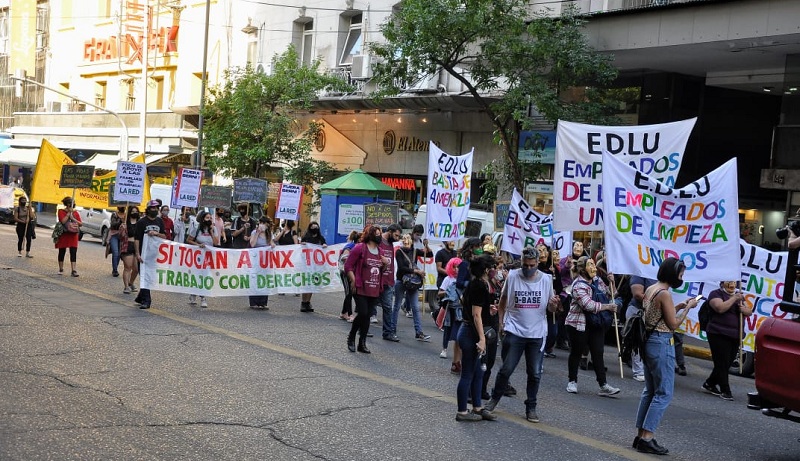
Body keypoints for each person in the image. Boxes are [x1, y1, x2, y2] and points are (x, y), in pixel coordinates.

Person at [484, 247, 561, 423]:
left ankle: (531, 407)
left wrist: (554, 305)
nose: (528, 269)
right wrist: (502, 322)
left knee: (534, 373)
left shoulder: (546, 280)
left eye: (532, 265)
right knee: (506, 370)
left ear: (538, 263)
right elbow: (503, 301)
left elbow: (551, 309)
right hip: (515, 330)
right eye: (525, 265)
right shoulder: (513, 276)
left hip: (537, 334)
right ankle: (493, 400)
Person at [634, 257, 700, 455]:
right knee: (663, 393)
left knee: (650, 390)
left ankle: (640, 436)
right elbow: (672, 324)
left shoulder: (652, 289)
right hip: (661, 342)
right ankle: (648, 437)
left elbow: (658, 313)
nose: (682, 277)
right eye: (681, 274)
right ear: (673, 274)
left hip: (649, 342)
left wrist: (679, 306)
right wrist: (688, 309)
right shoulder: (665, 294)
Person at [565, 256, 620, 397]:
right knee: (576, 352)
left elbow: (611, 294)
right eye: (590, 265)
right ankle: (572, 381)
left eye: (594, 264)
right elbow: (588, 305)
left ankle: (603, 385)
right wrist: (608, 307)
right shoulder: (578, 285)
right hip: (578, 325)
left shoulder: (597, 280)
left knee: (598, 353)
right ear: (583, 269)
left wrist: (612, 282)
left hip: (596, 324)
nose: (594, 267)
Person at [455, 254, 499, 422]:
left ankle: (478, 407)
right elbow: (475, 315)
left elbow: (479, 310)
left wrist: (490, 310)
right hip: (470, 334)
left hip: (472, 332)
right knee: (467, 373)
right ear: (487, 270)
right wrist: (481, 339)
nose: (495, 270)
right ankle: (462, 411)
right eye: (493, 267)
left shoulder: (479, 284)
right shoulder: (479, 286)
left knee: (479, 372)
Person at [703, 281, 753, 401]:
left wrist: (743, 309)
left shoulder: (739, 296)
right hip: (718, 333)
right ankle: (726, 390)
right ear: (722, 283)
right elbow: (720, 308)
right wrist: (734, 298)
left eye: (734, 282)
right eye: (729, 282)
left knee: (727, 362)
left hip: (735, 335)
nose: (732, 284)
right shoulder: (715, 294)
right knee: (722, 362)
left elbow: (749, 311)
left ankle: (709, 383)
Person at [344, 225, 388, 354]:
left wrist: (385, 264)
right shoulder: (360, 248)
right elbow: (348, 266)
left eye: (380, 233)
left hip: (374, 288)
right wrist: (353, 280)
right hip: (361, 287)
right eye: (377, 234)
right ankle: (351, 336)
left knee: (367, 316)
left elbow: (381, 270)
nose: (380, 236)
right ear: (370, 235)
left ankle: (362, 343)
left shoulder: (380, 251)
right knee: (362, 313)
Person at [392, 233, 433, 342]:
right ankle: (392, 330)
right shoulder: (399, 252)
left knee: (415, 307)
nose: (406, 242)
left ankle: (419, 332)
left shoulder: (414, 250)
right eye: (404, 240)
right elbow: (401, 268)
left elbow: (429, 255)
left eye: (408, 240)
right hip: (402, 280)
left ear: (411, 241)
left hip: (413, 282)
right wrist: (417, 271)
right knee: (396, 306)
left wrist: (426, 245)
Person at [133, 201, 166, 309]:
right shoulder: (141, 222)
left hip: (155, 254)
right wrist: (137, 254)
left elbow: (164, 236)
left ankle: (140, 297)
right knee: (144, 276)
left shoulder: (160, 221)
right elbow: (137, 239)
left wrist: (156, 233)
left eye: (157, 207)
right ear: (148, 209)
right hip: (143, 253)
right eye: (153, 208)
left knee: (149, 277)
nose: (155, 209)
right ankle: (147, 301)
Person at [186, 210, 220, 308]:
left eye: (210, 218)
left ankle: (203, 297)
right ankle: (193, 293)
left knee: (205, 276)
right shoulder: (196, 228)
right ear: (202, 219)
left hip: (208, 257)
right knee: (197, 275)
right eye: (207, 218)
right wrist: (198, 245)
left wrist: (212, 232)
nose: (209, 220)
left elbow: (216, 242)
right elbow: (189, 240)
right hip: (198, 256)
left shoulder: (213, 229)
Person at [628, 275, 657, 382]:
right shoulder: (639, 274)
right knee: (638, 341)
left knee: (651, 342)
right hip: (637, 311)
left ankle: (649, 370)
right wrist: (659, 300)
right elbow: (637, 294)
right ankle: (639, 371)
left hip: (654, 313)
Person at [380, 224, 403, 341]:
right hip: (376, 279)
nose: (397, 238)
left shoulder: (391, 243)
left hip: (388, 280)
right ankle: (363, 329)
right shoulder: (379, 240)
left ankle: (388, 332)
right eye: (396, 235)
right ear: (389, 231)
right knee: (369, 307)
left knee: (388, 307)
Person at [438, 257, 463, 363]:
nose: (457, 269)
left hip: (460, 309)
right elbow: (439, 293)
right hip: (450, 308)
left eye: (459, 267)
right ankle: (444, 349)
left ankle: (458, 353)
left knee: (459, 331)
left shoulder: (463, 280)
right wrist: (448, 291)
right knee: (447, 329)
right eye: (455, 267)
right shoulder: (448, 279)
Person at [248, 215, 275, 309]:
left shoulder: (269, 234)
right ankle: (254, 302)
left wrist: (272, 245)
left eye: (264, 223)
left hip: (265, 261)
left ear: (267, 225)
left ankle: (263, 302)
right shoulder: (254, 232)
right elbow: (252, 244)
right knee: (255, 279)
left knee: (264, 280)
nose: (262, 225)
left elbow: (272, 244)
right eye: (261, 223)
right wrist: (257, 233)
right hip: (256, 260)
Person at [299, 221, 327, 312]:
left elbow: (325, 247)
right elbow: (300, 249)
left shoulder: (320, 238)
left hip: (316, 266)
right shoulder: (306, 238)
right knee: (306, 284)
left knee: (312, 284)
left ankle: (308, 302)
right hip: (306, 265)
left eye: (316, 227)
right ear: (310, 228)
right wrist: (302, 245)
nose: (315, 229)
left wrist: (324, 246)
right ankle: (303, 302)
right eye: (313, 227)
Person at [55, 197, 82, 277]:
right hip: (64, 234)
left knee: (73, 252)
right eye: (70, 203)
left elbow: (80, 224)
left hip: (73, 235)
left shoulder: (76, 213)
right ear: (67, 204)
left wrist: (73, 218)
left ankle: (73, 270)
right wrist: (68, 214)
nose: (72, 204)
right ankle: (61, 268)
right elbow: (62, 221)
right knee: (62, 251)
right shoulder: (61, 211)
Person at [339, 230, 360, 321]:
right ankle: (350, 314)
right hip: (345, 272)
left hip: (352, 272)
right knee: (349, 294)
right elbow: (343, 258)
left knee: (350, 293)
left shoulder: (359, 247)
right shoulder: (350, 246)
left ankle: (343, 313)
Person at [120, 206, 140, 294]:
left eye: (136, 211)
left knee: (136, 268)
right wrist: (122, 229)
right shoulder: (125, 223)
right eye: (132, 211)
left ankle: (130, 283)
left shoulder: (140, 223)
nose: (134, 213)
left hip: (137, 247)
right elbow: (120, 236)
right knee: (128, 267)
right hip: (127, 245)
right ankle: (126, 286)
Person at [108, 207, 125, 276]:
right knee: (115, 252)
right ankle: (115, 270)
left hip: (122, 236)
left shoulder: (126, 215)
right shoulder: (114, 214)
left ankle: (115, 268)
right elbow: (113, 225)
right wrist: (121, 221)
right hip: (114, 235)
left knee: (119, 254)